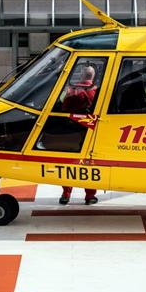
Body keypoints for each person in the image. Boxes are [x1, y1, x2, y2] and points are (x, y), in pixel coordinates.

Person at [59, 63, 99, 206]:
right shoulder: (96, 92)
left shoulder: (71, 90)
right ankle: (89, 196)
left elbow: (63, 107)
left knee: (68, 164)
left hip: (71, 133)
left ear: (82, 75)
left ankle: (66, 194)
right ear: (93, 77)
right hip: (89, 133)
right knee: (89, 165)